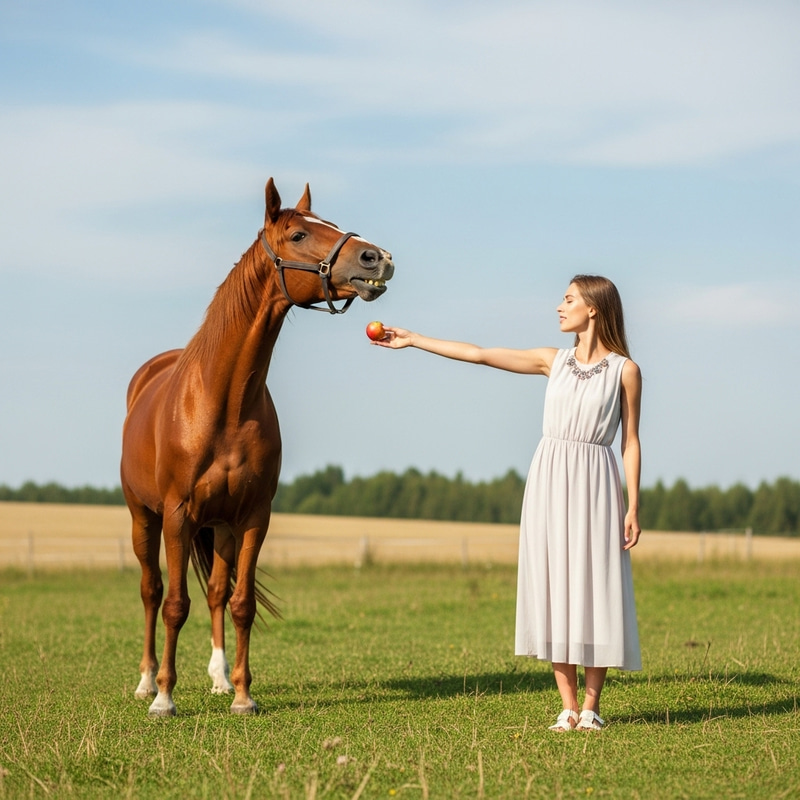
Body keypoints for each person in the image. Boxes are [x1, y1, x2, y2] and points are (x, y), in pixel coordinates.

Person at [373, 274, 642, 731]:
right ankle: (568, 707)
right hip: (550, 478)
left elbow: (631, 442)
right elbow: (478, 354)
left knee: (595, 586)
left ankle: (593, 709)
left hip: (598, 481)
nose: (559, 307)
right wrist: (414, 340)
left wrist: (633, 505)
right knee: (555, 584)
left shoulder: (625, 371)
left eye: (568, 299)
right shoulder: (550, 361)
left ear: (593, 308)